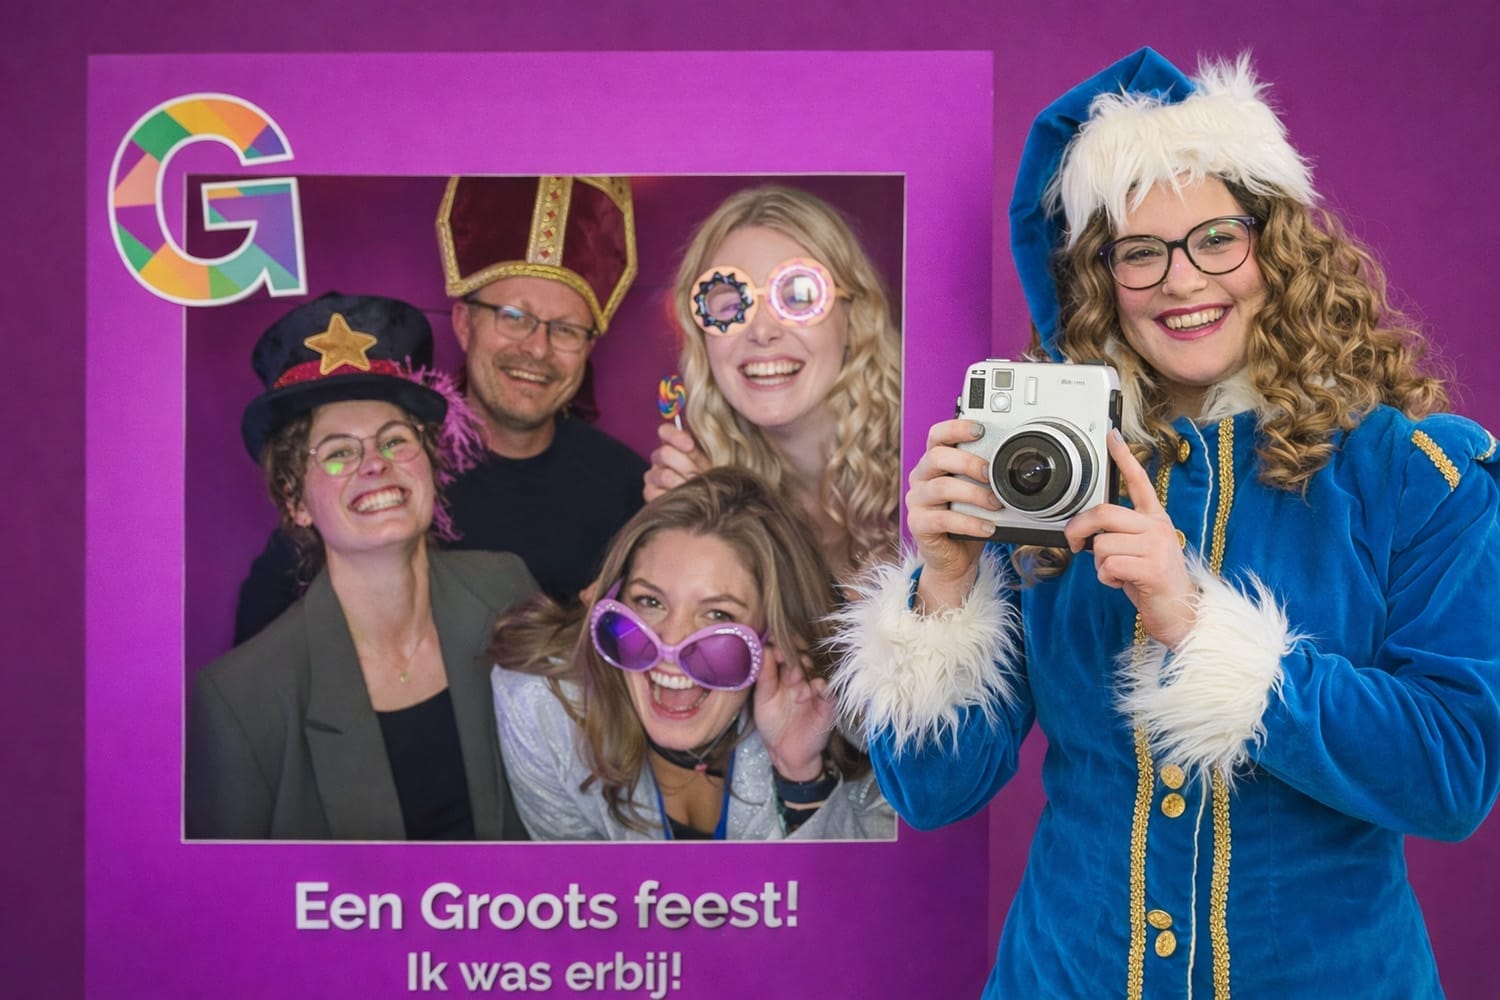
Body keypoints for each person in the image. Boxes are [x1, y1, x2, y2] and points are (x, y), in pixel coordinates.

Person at [833, 49, 1500, 996]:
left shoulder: (1415, 473)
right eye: (1140, 252)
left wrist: (1195, 625)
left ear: (1276, 247)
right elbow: (936, 792)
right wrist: (944, 588)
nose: (1183, 281)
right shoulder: (1046, 472)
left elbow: (1451, 774)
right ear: (1097, 280)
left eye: (1217, 239)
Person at [234, 176, 646, 642]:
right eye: (514, 317)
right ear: (464, 324)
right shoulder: (393, 473)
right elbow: (260, 643)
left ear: (588, 348)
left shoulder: (627, 488)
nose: (537, 348)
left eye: (566, 330)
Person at [187, 293, 537, 840]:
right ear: (295, 501)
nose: (375, 464)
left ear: (430, 464)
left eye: (395, 440)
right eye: (338, 452)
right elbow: (226, 892)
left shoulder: (507, 590)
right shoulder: (240, 700)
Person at [489, 467, 893, 841]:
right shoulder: (542, 706)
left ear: (776, 634)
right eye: (650, 601)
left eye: (718, 614)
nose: (671, 644)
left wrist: (801, 779)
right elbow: (573, 890)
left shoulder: (860, 716)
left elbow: (873, 890)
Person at [643, 186, 901, 582]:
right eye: (731, 305)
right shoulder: (713, 492)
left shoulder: (927, 462)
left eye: (798, 297)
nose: (762, 331)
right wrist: (683, 535)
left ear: (853, 317)